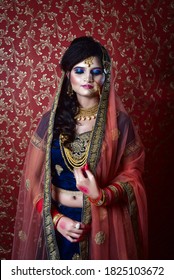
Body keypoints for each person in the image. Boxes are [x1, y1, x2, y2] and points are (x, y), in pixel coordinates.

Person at [12, 36, 148, 260]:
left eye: (95, 71)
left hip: (102, 223)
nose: (88, 78)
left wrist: (101, 195)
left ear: (105, 76)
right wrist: (56, 220)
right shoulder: (50, 121)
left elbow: (133, 174)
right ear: (68, 75)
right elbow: (31, 179)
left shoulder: (120, 123)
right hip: (58, 222)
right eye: (79, 71)